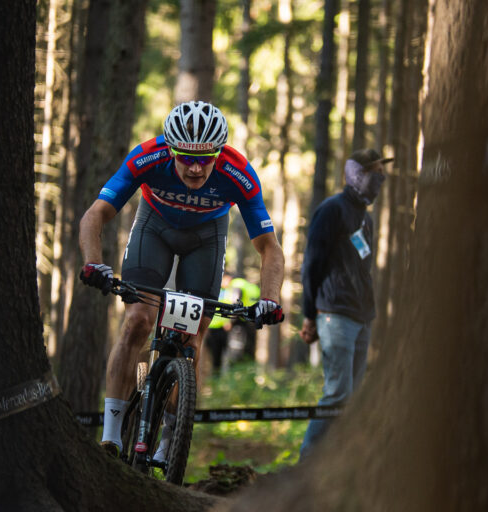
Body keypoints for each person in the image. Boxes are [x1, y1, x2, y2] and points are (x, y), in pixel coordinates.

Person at [78, 101, 285, 456]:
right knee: (138, 320)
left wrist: (270, 298)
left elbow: (269, 246)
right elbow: (96, 214)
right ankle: (111, 436)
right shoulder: (147, 157)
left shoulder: (239, 172)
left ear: (218, 153)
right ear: (171, 149)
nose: (195, 167)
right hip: (154, 229)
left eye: (206, 158)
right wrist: (93, 263)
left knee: (193, 335)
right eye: (186, 158)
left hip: (206, 238)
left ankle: (171, 441)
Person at [297, 148, 392, 460]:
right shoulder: (332, 210)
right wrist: (309, 314)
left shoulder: (366, 218)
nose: (381, 180)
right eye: (376, 173)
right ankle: (307, 462)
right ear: (357, 175)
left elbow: (362, 268)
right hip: (335, 314)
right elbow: (312, 264)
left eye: (383, 174)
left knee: (352, 399)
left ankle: (335, 464)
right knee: (337, 394)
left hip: (362, 317)